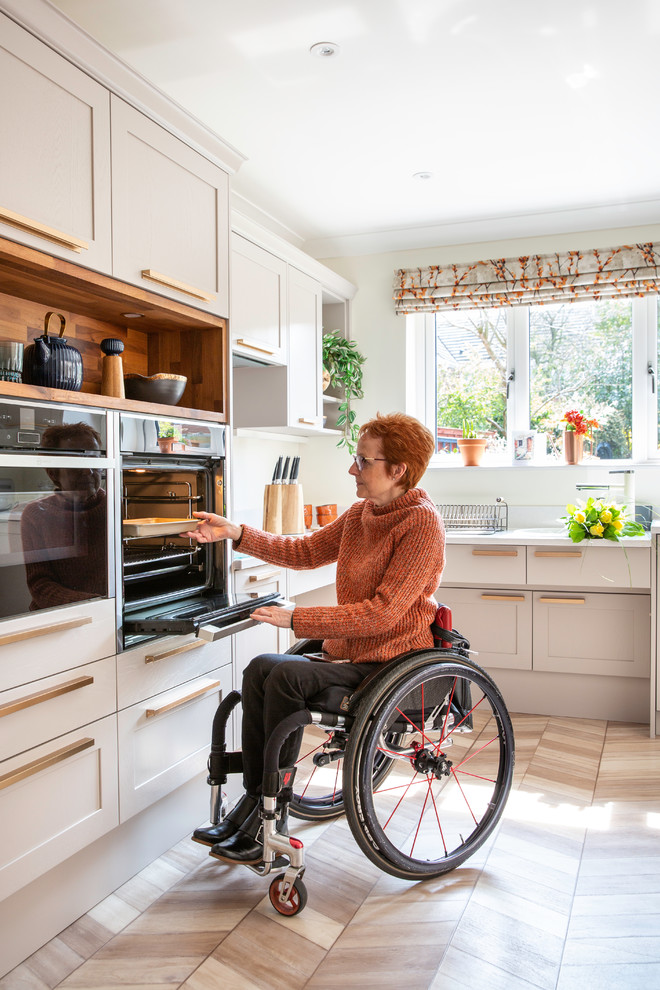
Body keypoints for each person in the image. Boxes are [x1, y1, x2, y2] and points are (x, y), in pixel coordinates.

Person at [186, 412, 445, 865]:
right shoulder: (363, 513)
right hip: (349, 653)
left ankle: (270, 812)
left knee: (285, 675)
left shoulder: (421, 525)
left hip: (388, 661)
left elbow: (383, 614)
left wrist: (297, 618)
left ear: (398, 470)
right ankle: (254, 804)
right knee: (260, 667)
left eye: (363, 461)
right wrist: (237, 533)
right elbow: (304, 551)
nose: (353, 469)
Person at [19, 422, 107, 610]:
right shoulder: (36, 514)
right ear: (53, 472)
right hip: (60, 617)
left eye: (94, 460)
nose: (88, 471)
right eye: (76, 462)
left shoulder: (115, 505)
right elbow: (41, 586)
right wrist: (94, 605)